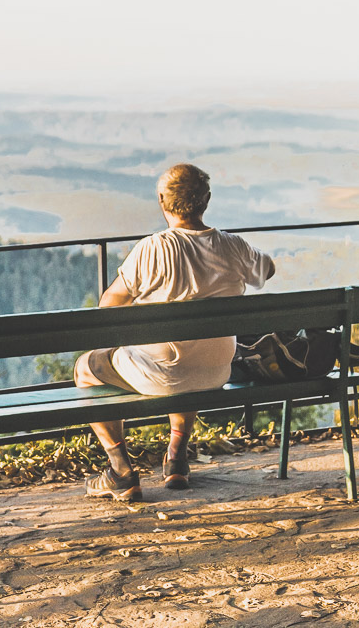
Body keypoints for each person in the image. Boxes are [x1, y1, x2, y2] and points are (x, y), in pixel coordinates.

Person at [74, 162, 276, 501]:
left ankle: (121, 471)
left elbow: (109, 308)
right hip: (216, 371)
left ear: (161, 201)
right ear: (206, 200)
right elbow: (267, 270)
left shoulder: (152, 249)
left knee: (86, 366)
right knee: (191, 352)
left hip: (161, 375)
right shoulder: (234, 247)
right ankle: (177, 456)